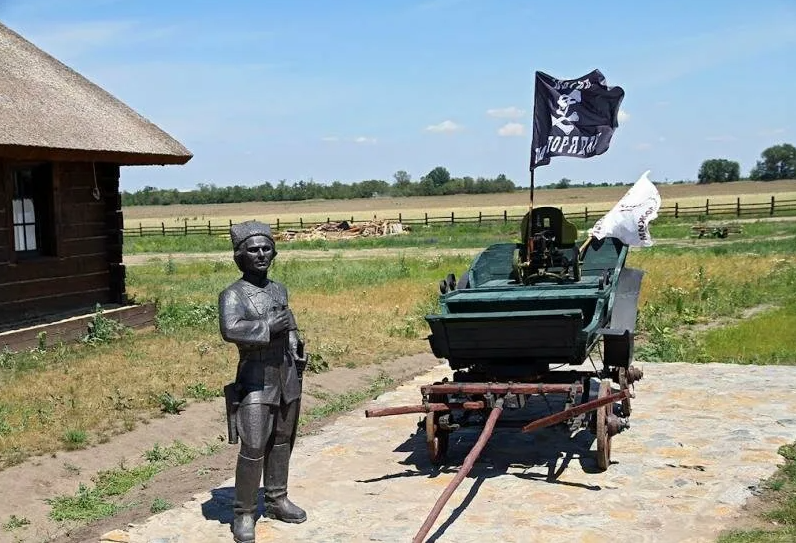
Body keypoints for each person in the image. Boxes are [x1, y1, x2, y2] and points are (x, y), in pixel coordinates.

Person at [219, 220, 307, 543]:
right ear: (240, 256)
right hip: (255, 379)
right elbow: (231, 329)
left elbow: (290, 320)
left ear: (274, 251)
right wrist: (269, 325)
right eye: (253, 250)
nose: (260, 254)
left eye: (266, 248)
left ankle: (277, 498)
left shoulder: (278, 288)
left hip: (285, 375)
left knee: (282, 440)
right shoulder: (232, 294)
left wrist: (297, 341)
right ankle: (244, 512)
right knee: (254, 445)